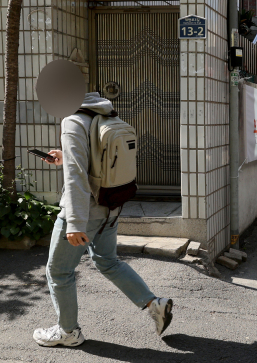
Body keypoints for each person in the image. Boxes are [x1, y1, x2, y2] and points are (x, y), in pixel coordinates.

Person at [33, 93, 173, 347]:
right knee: (108, 262)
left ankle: (68, 332)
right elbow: (97, 160)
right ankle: (155, 304)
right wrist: (63, 157)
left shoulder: (73, 120)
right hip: (111, 204)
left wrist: (74, 223)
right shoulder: (104, 112)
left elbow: (76, 174)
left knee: (59, 272)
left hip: (85, 211)